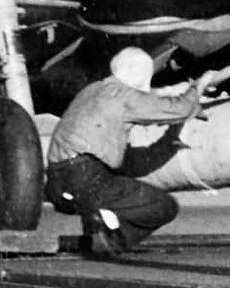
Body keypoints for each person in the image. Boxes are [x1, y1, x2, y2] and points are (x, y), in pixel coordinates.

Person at [44, 48, 212, 254]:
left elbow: (148, 99)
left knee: (113, 188)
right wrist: (198, 87)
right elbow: (180, 109)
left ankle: (100, 224)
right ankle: (109, 236)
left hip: (57, 184)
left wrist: (174, 92)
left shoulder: (92, 90)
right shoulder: (123, 96)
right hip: (86, 179)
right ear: (134, 70)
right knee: (164, 206)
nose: (147, 83)